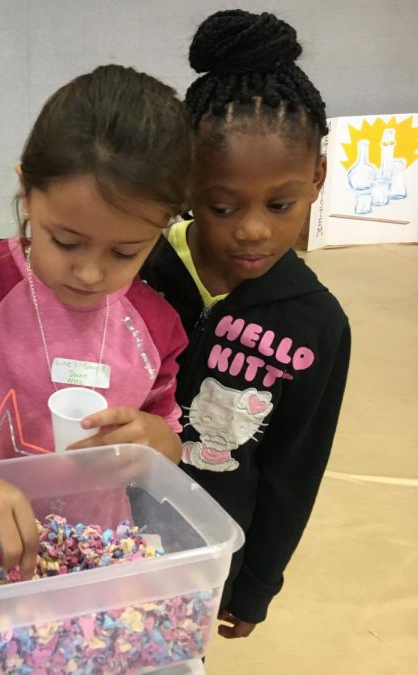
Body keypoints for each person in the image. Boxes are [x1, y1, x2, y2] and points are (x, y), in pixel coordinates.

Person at [0, 65, 192, 579]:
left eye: (125, 251)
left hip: (94, 560)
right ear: (26, 191)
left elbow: (168, 439)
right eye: (65, 241)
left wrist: (157, 442)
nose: (89, 272)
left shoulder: (155, 325)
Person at [140, 9, 351, 639]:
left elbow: (295, 469)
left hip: (205, 557)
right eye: (223, 206)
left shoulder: (316, 325)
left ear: (316, 177)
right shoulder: (139, 270)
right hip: (100, 533)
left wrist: (257, 583)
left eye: (280, 203)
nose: (253, 229)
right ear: (187, 187)